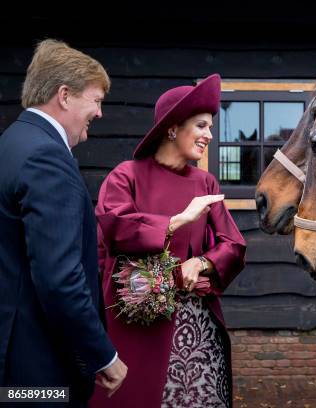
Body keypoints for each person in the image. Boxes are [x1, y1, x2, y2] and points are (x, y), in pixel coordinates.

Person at [90, 74, 246, 408]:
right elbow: (116, 229)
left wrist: (201, 262)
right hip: (134, 328)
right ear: (172, 128)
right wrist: (177, 221)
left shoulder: (206, 182)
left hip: (196, 333)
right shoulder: (125, 175)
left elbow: (232, 244)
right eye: (202, 126)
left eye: (210, 127)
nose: (209, 135)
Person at [0, 39, 127, 405]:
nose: (100, 113)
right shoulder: (46, 158)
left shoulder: (12, 142)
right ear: (65, 95)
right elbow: (59, 279)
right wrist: (102, 354)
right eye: (96, 100)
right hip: (37, 370)